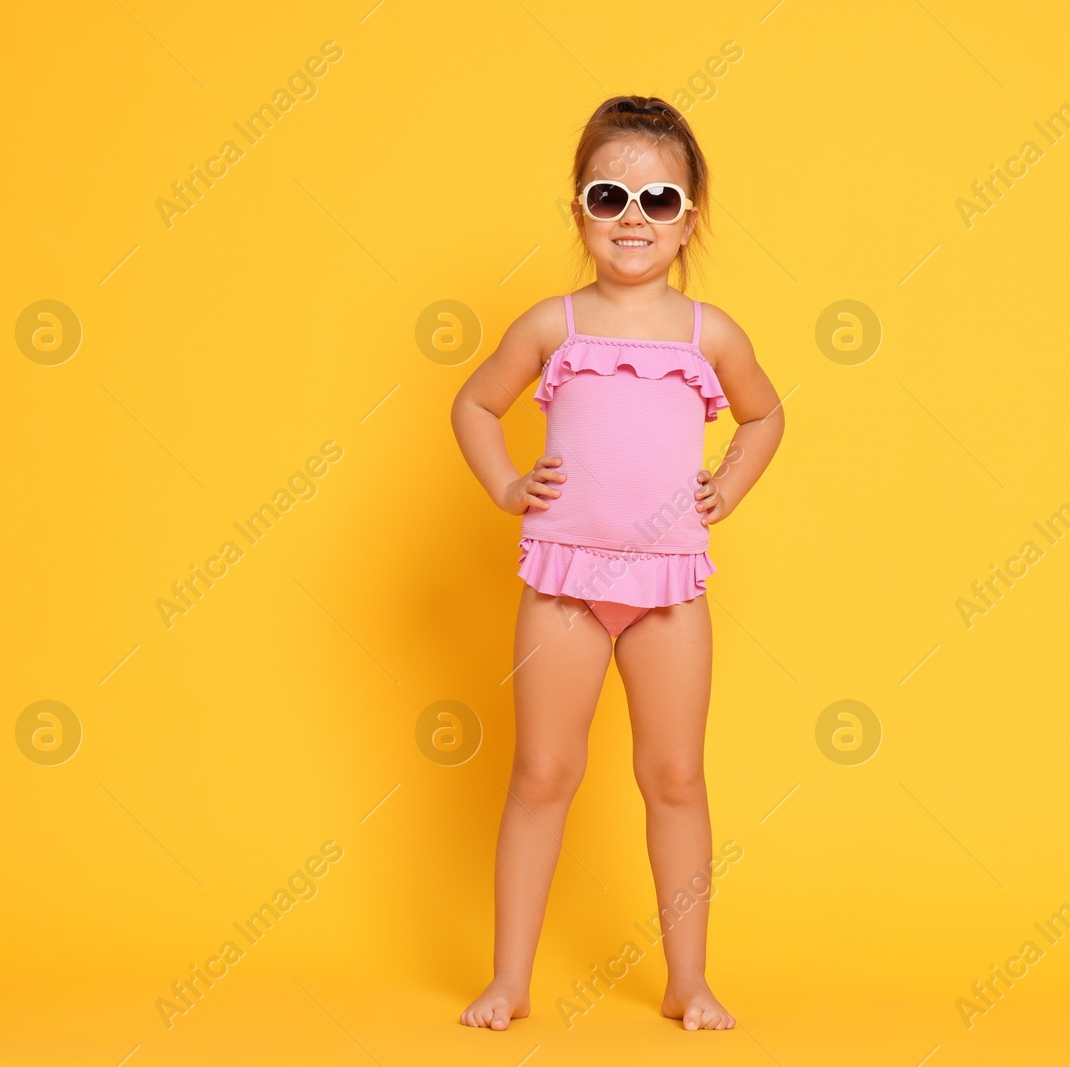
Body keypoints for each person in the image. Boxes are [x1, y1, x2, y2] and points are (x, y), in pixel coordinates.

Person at [449, 94, 784, 1031]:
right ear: (578, 212)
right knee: (543, 771)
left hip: (669, 590)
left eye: (659, 200)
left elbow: (765, 415)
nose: (633, 216)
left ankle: (688, 979)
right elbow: (474, 406)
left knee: (675, 775)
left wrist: (732, 482)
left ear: (688, 220)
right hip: (562, 582)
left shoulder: (707, 335)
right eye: (609, 194)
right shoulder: (551, 324)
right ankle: (511, 979)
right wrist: (508, 485)